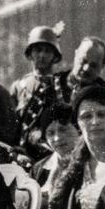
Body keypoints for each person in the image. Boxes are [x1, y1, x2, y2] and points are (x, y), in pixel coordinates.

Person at [11, 25, 68, 162]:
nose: (42, 55)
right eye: (38, 50)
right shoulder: (19, 86)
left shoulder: (62, 86)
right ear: (30, 54)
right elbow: (12, 127)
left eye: (47, 51)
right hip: (22, 156)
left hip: (52, 155)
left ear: (55, 55)